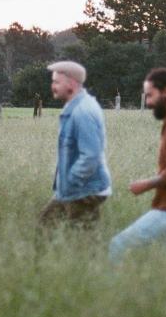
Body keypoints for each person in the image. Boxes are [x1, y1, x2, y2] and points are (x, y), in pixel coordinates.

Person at [109, 68, 166, 279]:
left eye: (150, 95)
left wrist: (146, 184)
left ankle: (112, 298)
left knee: (118, 245)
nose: (148, 102)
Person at [38, 61, 112, 230]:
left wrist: (71, 181)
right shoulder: (75, 107)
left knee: (77, 237)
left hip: (84, 190)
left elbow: (91, 156)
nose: (53, 86)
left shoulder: (83, 112)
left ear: (71, 83)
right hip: (77, 188)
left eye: (57, 82)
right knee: (46, 227)